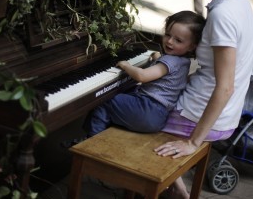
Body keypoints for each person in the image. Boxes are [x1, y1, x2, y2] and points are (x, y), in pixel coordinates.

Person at [153, 0, 253, 198]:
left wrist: (193, 141)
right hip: (225, 115)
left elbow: (225, 86)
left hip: (199, 116)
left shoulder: (223, 14)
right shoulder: (237, 0)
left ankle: (168, 190)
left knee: (136, 118)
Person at [80, 10, 206, 139]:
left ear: (192, 47)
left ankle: (90, 139)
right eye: (168, 35)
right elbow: (166, 71)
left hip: (146, 110)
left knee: (103, 100)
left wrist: (126, 66)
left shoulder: (169, 61)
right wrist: (158, 58)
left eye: (178, 40)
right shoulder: (184, 62)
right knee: (124, 96)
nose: (170, 41)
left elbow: (142, 76)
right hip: (159, 117)